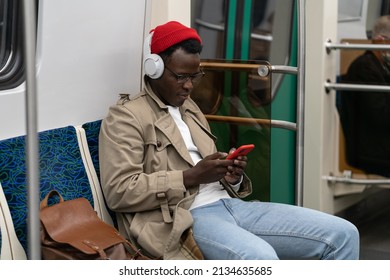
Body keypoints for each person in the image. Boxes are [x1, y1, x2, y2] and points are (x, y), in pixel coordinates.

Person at [99, 21, 359, 260]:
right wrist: (190, 177)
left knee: (343, 234)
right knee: (260, 259)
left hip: (231, 204)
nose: (189, 86)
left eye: (194, 77)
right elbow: (119, 191)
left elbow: (204, 165)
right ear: (153, 69)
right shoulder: (127, 117)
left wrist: (229, 173)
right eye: (180, 77)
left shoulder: (189, 108)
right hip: (184, 217)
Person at [339, 15, 390, 177]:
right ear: (381, 41)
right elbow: (380, 116)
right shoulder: (365, 68)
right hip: (370, 150)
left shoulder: (381, 67)